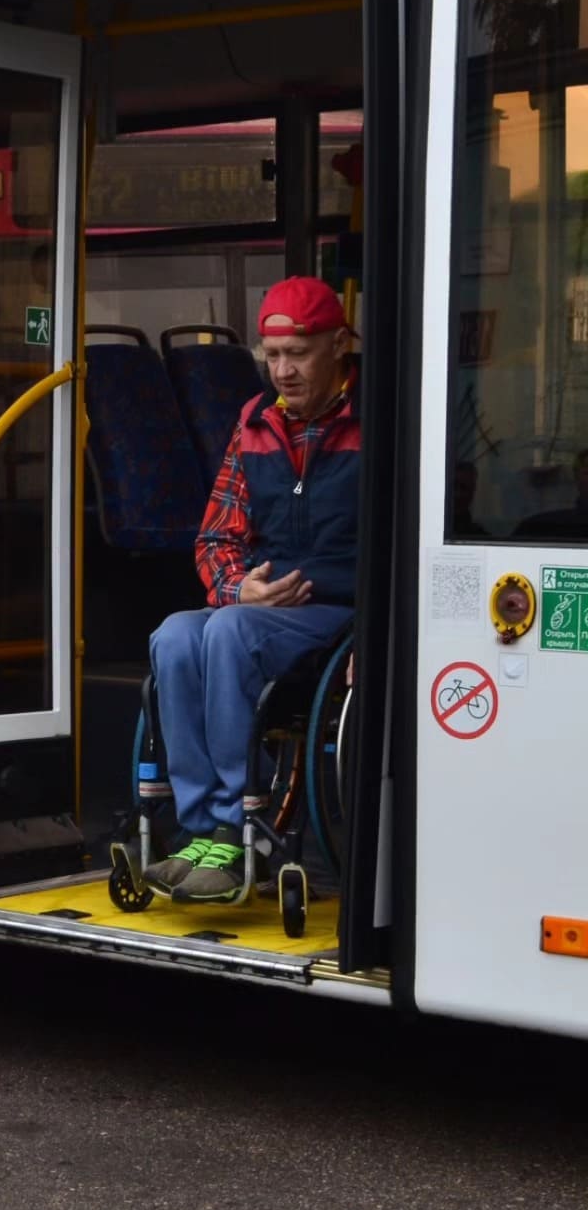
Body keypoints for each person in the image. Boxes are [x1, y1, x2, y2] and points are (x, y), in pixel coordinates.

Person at [143, 277, 359, 904]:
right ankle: (206, 826)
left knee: (228, 630)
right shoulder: (257, 425)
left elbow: (405, 549)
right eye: (272, 354)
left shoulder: (380, 421)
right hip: (260, 608)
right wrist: (240, 589)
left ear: (340, 344)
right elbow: (215, 540)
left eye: (299, 353)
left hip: (338, 612)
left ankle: (246, 828)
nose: (282, 371)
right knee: (177, 634)